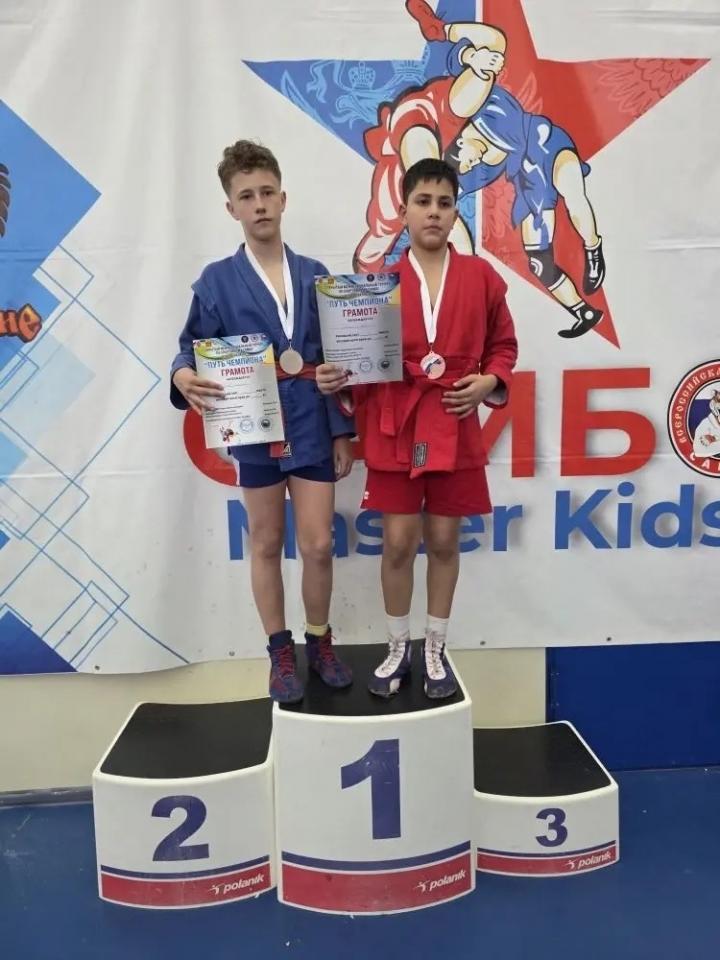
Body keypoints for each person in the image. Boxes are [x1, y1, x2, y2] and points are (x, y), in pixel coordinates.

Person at [319, 157, 518, 699]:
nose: (433, 212)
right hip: (397, 423)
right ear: (403, 211)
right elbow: (356, 362)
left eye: (444, 203)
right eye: (423, 202)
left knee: (446, 541)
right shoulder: (377, 286)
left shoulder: (482, 278)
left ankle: (435, 647)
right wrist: (338, 376)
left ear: (456, 213)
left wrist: (488, 381)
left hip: (454, 418)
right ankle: (397, 647)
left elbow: (504, 346)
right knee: (399, 543)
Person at [171, 140, 354, 703]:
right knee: (268, 542)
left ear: (283, 198)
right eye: (246, 196)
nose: (259, 204)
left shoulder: (315, 275)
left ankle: (319, 641)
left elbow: (337, 355)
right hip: (254, 427)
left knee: (318, 544)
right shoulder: (216, 281)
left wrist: (342, 427)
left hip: (312, 423)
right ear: (232, 208)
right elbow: (189, 349)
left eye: (267, 193)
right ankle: (280, 651)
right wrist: (182, 375)